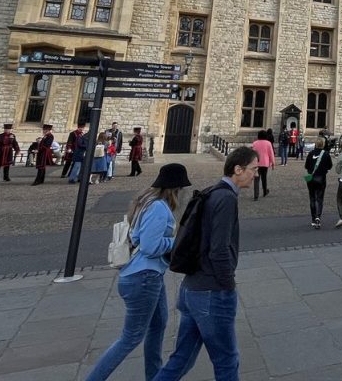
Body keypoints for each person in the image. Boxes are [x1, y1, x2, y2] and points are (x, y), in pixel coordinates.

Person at [154, 148, 257, 381]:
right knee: (227, 360)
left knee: (181, 359)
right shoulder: (226, 198)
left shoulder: (211, 192)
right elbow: (219, 248)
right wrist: (227, 284)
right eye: (254, 169)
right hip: (212, 292)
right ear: (238, 169)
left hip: (192, 288)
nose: (256, 174)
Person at [85, 163, 191, 381]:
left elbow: (139, 237)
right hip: (144, 277)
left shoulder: (145, 202)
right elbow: (151, 247)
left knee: (158, 324)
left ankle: (154, 375)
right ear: (175, 189)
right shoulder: (159, 207)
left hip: (147, 275)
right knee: (131, 337)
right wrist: (177, 241)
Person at [304, 136, 333, 229]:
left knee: (312, 198)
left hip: (311, 178)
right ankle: (318, 217)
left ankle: (313, 219)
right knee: (319, 198)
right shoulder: (326, 154)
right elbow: (330, 166)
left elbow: (306, 166)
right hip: (321, 178)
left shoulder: (311, 153)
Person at [251, 130, 275, 200]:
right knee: (264, 178)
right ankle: (264, 191)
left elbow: (253, 154)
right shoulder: (268, 143)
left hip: (256, 163)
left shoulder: (255, 143)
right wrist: (273, 163)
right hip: (265, 163)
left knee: (256, 179)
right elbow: (271, 154)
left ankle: (256, 195)